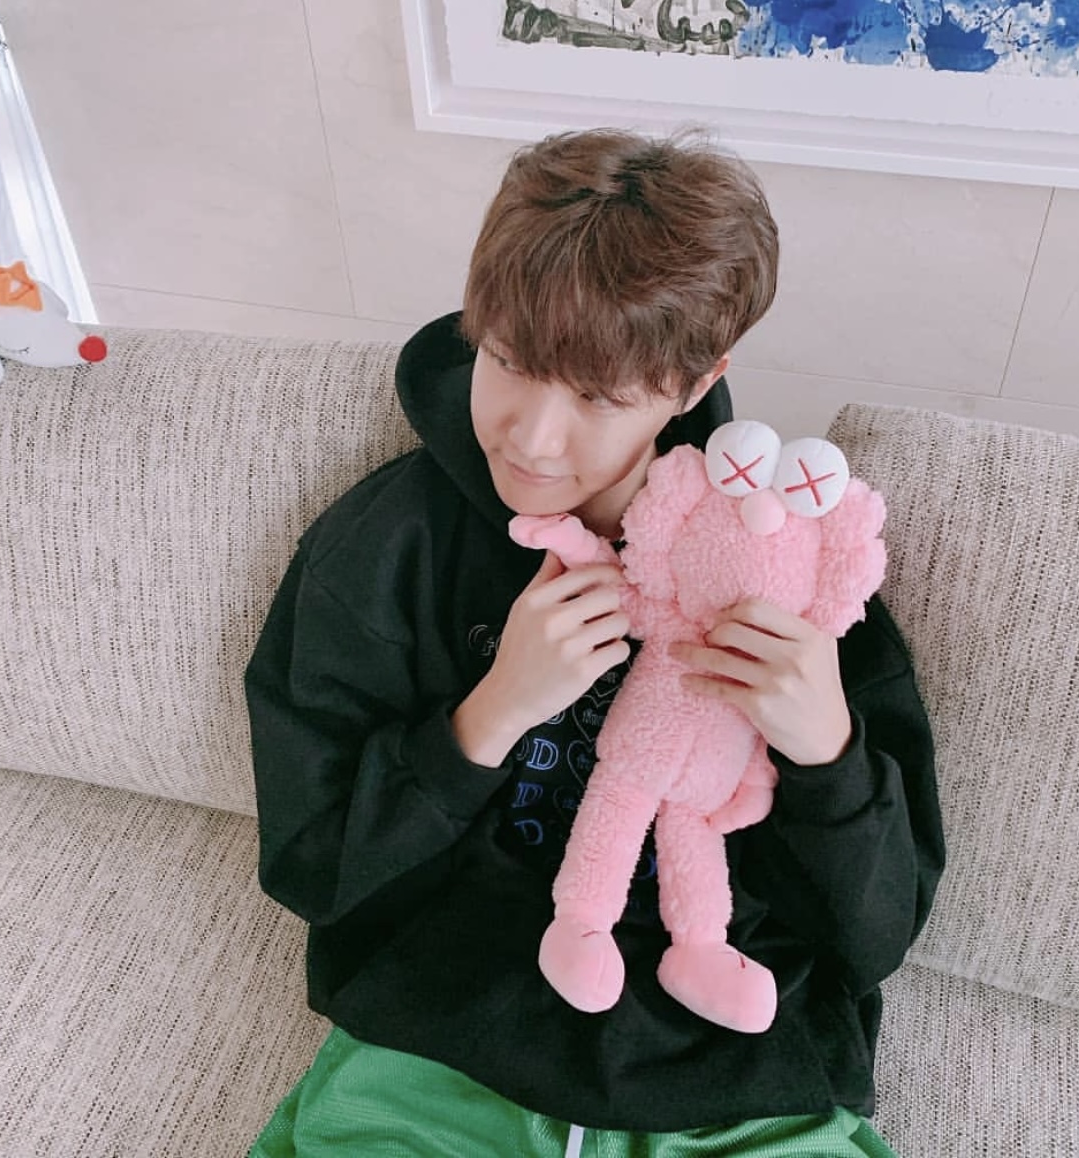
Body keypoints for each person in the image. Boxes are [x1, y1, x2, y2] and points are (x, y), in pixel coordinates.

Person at [244, 127, 945, 1157]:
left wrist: (825, 754)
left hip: (736, 1066)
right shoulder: (383, 547)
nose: (531, 437)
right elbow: (312, 867)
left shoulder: (789, 567)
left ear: (695, 383)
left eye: (598, 397)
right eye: (508, 362)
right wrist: (489, 717)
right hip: (439, 1043)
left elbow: (874, 937)